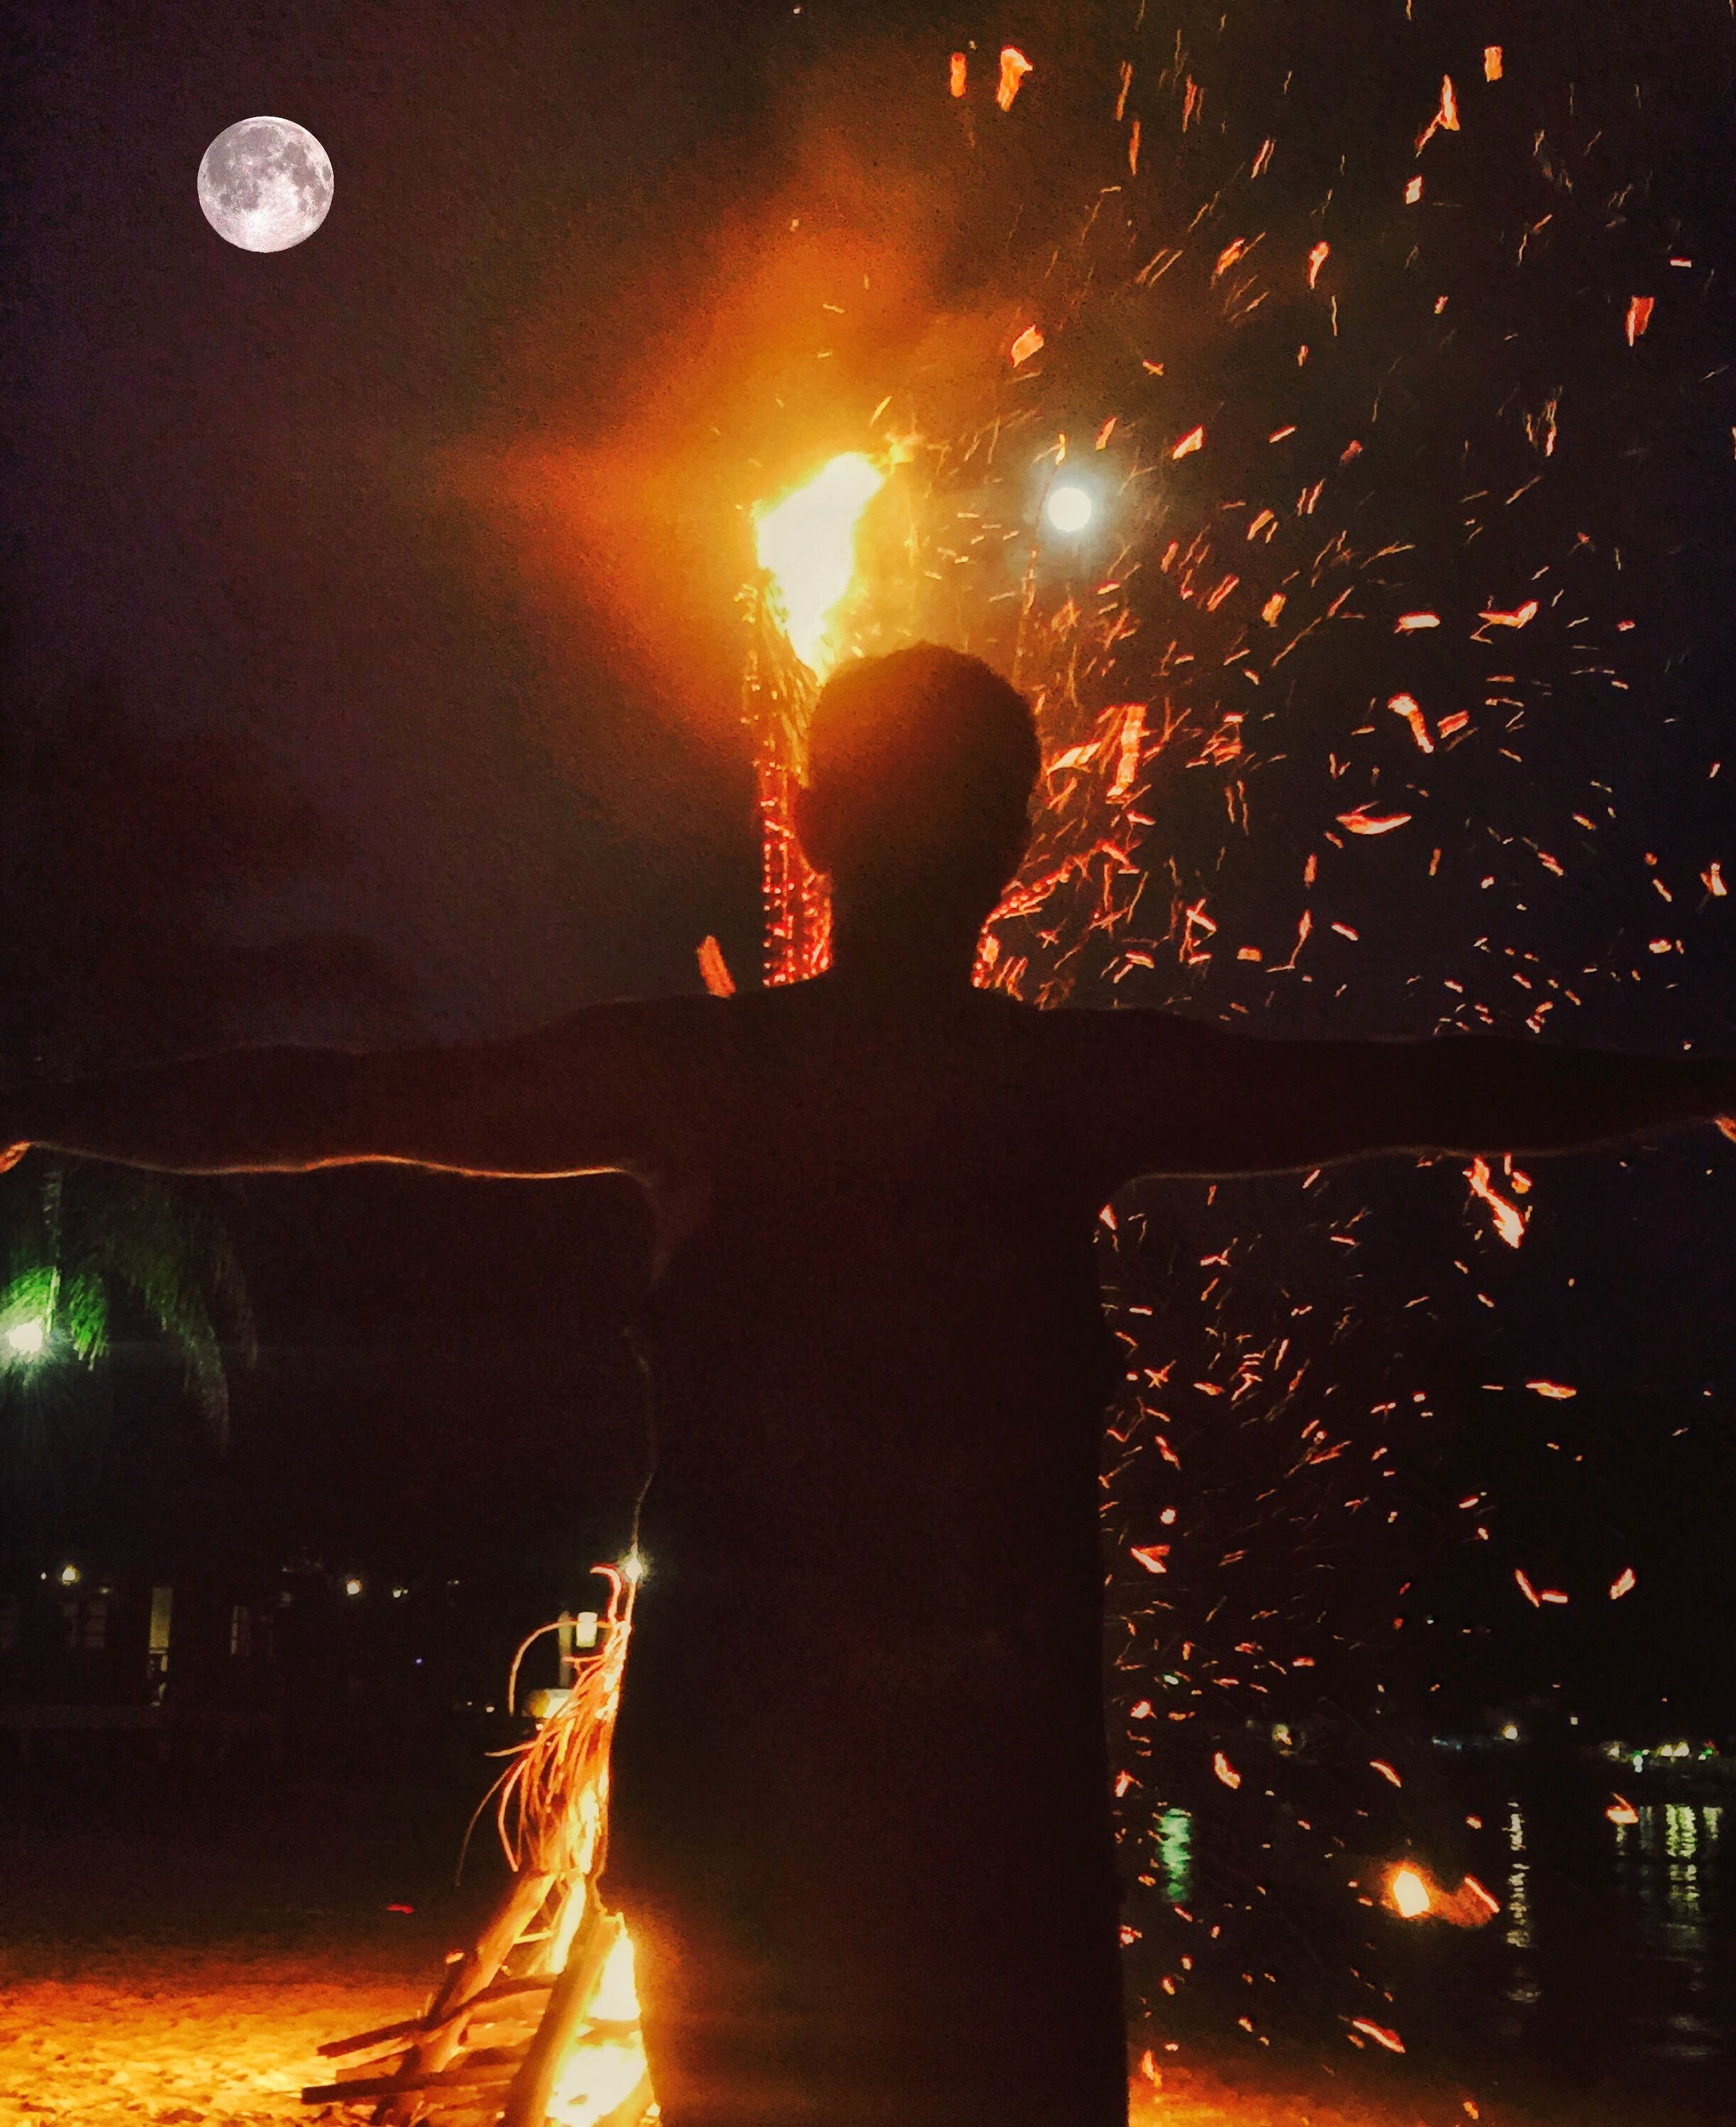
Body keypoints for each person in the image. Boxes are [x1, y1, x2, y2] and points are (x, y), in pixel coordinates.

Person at [7, 642, 1733, 2127]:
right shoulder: (1074, 1090)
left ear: (817, 825)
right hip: (993, 1823)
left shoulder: (708, 1077)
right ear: (1018, 842)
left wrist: (53, 1110)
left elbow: (348, 1100)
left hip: (754, 1818)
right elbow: (1432, 1086)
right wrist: (1694, 1084)